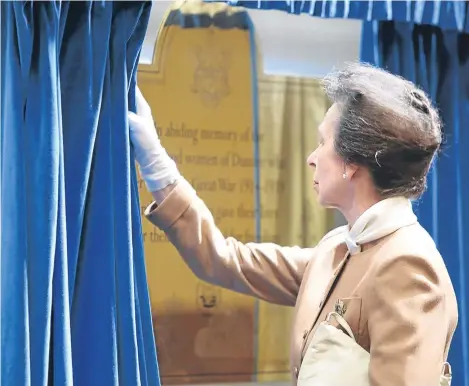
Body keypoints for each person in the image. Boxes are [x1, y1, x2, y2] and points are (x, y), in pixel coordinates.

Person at [128, 62, 458, 386]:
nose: (311, 157)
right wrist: (158, 166)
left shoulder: (407, 266)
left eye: (322, 142)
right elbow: (225, 260)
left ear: (352, 162)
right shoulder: (337, 249)